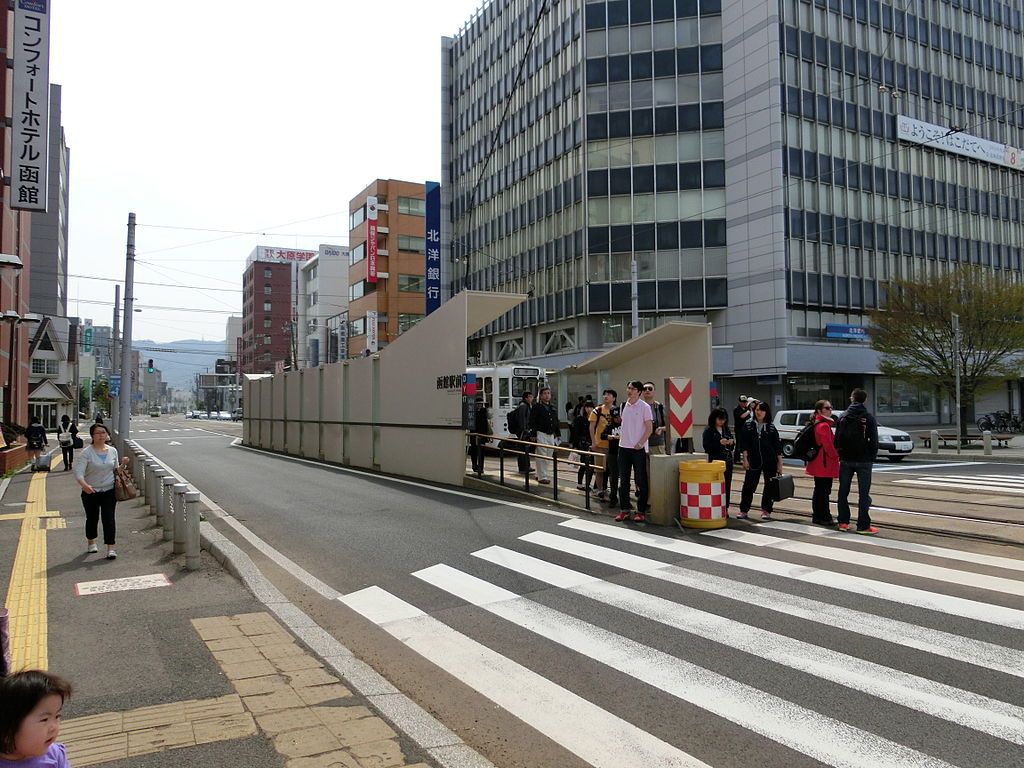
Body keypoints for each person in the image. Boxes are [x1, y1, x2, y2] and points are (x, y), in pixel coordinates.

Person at [73, 422, 130, 560]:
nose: (101, 435)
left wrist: (123, 464)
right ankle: (91, 542)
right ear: (92, 435)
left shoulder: (112, 451)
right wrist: (85, 485)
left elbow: (115, 470)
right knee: (92, 518)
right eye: (98, 433)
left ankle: (111, 548)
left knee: (109, 519)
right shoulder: (87, 453)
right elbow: (79, 473)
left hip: (109, 491)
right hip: (90, 492)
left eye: (103, 432)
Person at [0, 669, 73, 767]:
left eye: (57, 716)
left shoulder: (53, 754)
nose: (54, 727)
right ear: (7, 732)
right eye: (44, 719)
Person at [835, 388, 880, 534]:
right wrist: (871, 456)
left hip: (846, 459)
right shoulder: (869, 417)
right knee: (864, 494)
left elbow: (837, 439)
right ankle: (863, 526)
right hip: (864, 460)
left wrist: (840, 454)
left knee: (843, 492)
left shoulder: (842, 416)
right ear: (865, 400)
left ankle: (843, 522)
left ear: (852, 399)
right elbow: (874, 440)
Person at [737, 401, 784, 520]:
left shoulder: (771, 427)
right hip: (753, 460)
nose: (759, 412)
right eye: (757, 410)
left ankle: (766, 510)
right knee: (749, 485)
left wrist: (780, 463)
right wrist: (745, 459)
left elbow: (777, 446)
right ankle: (744, 510)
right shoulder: (748, 425)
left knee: (769, 486)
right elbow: (744, 444)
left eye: (762, 410)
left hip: (770, 461)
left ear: (766, 412)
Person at [614, 381, 653, 523]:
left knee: (640, 480)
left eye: (633, 389)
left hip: (638, 449)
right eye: (628, 388)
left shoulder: (645, 407)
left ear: (639, 391)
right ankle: (624, 509)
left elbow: (649, 428)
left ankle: (640, 511)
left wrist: (640, 443)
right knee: (623, 480)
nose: (629, 391)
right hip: (623, 447)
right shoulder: (623, 405)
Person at [804, 400, 839, 526]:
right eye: (827, 408)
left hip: (818, 463)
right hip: (824, 464)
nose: (830, 410)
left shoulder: (817, 423)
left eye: (830, 407)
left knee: (819, 490)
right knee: (824, 491)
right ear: (820, 410)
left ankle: (818, 516)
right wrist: (836, 456)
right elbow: (828, 446)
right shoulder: (823, 425)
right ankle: (824, 516)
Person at [589, 389, 620, 504]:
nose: (606, 397)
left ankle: (611, 491)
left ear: (614, 398)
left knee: (613, 471)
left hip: (614, 447)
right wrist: (593, 442)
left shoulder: (618, 411)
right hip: (600, 445)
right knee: (599, 470)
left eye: (609, 395)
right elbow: (591, 427)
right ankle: (600, 490)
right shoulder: (597, 410)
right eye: (605, 395)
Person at [701, 407, 735, 509]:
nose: (722, 421)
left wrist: (730, 442)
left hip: (727, 460)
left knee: (727, 485)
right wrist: (719, 443)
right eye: (720, 419)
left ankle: (726, 507)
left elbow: (732, 445)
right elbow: (706, 447)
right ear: (714, 418)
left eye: (724, 419)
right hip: (715, 461)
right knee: (715, 486)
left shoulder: (726, 429)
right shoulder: (709, 430)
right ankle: (715, 507)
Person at [530, 387, 560, 485]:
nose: (547, 395)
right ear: (541, 395)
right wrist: (533, 433)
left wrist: (558, 433)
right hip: (541, 433)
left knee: (548, 455)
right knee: (541, 454)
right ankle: (542, 477)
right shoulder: (537, 407)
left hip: (551, 434)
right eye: (545, 393)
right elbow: (532, 421)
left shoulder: (552, 407)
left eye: (549, 393)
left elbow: (556, 421)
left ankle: (540, 473)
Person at [571, 399, 595, 490]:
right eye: (587, 407)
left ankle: (588, 484)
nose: (589, 409)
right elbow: (576, 433)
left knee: (591, 466)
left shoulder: (594, 418)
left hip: (592, 444)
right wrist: (575, 445)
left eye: (591, 407)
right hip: (582, 444)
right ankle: (580, 484)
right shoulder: (580, 419)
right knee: (583, 465)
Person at [510, 392, 534, 474]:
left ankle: (525, 466)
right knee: (524, 448)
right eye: (530, 397)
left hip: (522, 431)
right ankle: (524, 467)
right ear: (526, 398)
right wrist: (524, 430)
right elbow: (522, 420)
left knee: (524, 448)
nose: (532, 398)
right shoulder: (524, 406)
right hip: (523, 432)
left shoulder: (524, 405)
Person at [641, 382, 667, 455]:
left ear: (654, 391)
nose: (647, 390)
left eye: (650, 388)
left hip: (657, 445)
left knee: (658, 466)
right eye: (645, 389)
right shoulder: (638, 407)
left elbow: (670, 426)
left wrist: (661, 429)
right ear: (642, 392)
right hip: (641, 444)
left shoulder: (660, 407)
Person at [469, 398, 490, 477]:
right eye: (477, 404)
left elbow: (490, 416)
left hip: (482, 434)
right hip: (473, 434)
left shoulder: (484, 411)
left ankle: (481, 467)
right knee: (474, 450)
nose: (479, 405)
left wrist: (488, 408)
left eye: (480, 404)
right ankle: (474, 466)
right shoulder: (472, 412)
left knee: (481, 451)